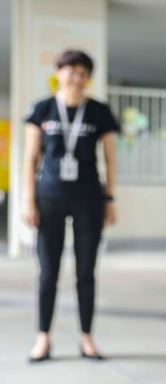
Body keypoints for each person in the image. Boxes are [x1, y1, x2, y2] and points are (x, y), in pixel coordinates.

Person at [21, 50, 120, 363]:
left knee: (86, 271)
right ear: (58, 73)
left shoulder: (99, 112)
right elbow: (30, 158)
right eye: (69, 70)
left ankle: (87, 338)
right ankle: (43, 338)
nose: (75, 77)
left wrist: (110, 198)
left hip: (89, 197)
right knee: (48, 271)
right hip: (49, 196)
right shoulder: (42, 109)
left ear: (88, 78)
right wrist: (28, 199)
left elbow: (110, 158)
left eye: (81, 72)